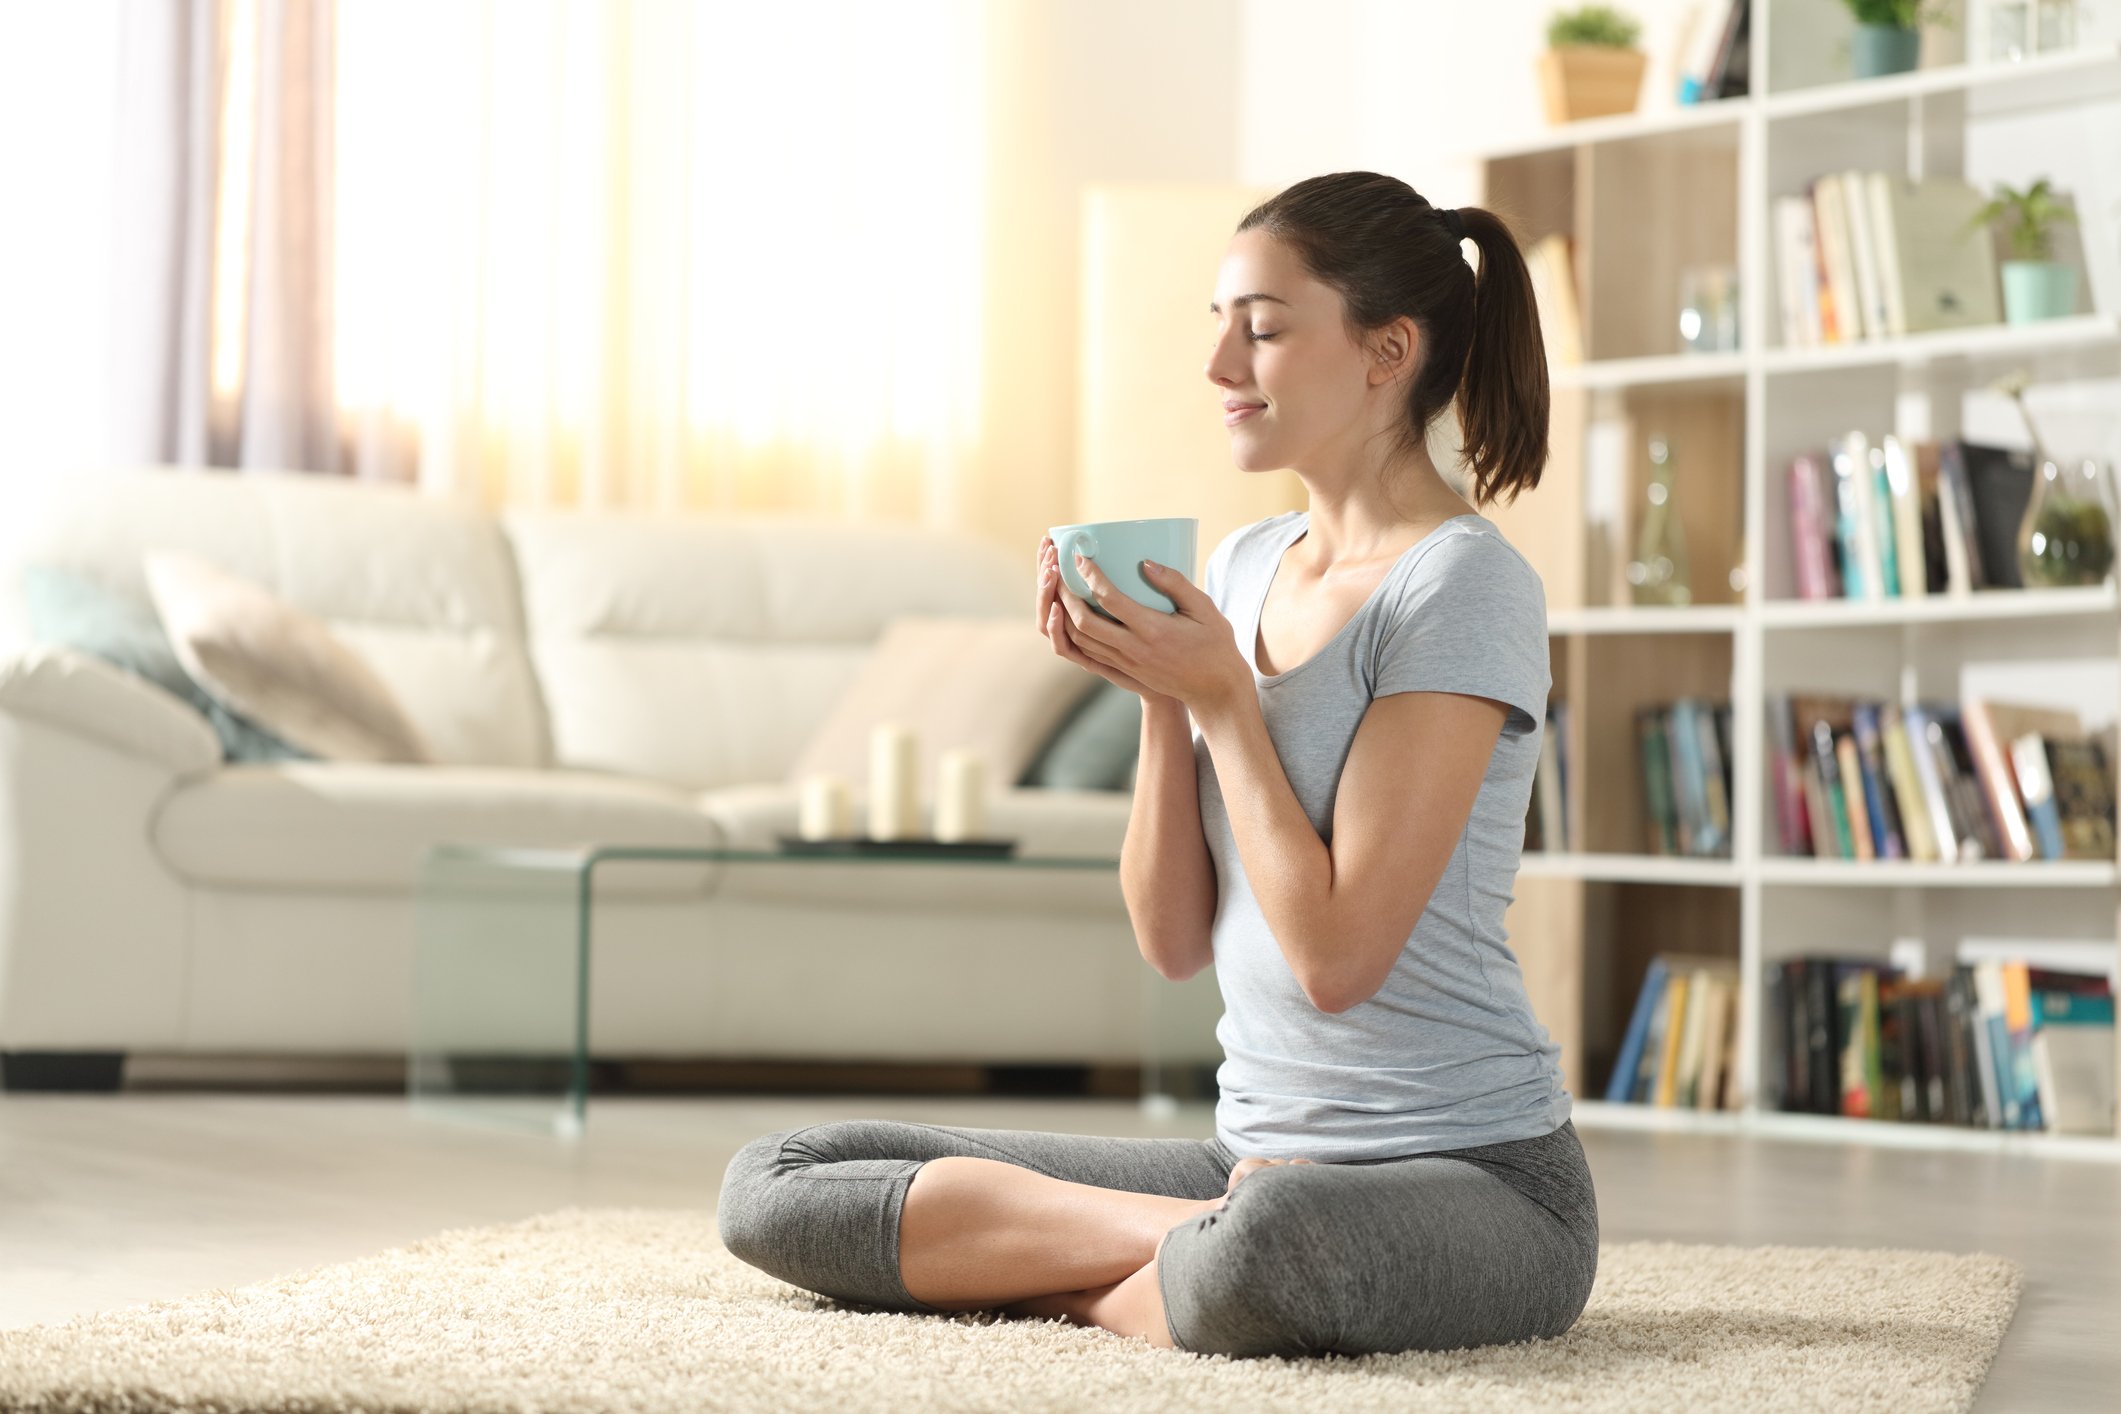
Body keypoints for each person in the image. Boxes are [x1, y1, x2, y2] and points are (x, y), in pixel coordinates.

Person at [718, 170, 1596, 1359]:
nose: (1221, 364)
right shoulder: (1239, 566)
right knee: (782, 1179)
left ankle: (1060, 1260)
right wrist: (1154, 694)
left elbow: (1338, 959)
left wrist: (1226, 700)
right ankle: (1166, 1246)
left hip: (1475, 1180)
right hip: (1246, 1156)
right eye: (1220, 325)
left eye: (1265, 328)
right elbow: (1174, 939)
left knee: (1271, 1246)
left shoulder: (1462, 585)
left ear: (1387, 350)